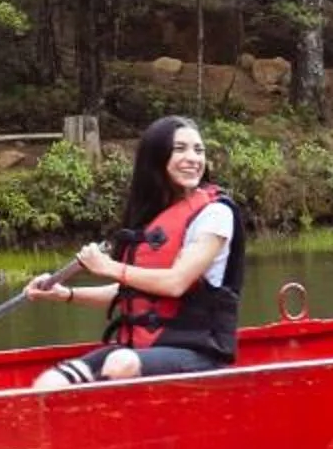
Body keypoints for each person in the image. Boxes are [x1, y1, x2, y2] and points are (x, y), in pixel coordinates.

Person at [27, 115, 247, 387]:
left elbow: (176, 283)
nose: (193, 158)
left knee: (121, 364)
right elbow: (131, 295)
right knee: (49, 382)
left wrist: (108, 267)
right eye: (180, 149)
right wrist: (66, 294)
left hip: (199, 353)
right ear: (156, 156)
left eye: (198, 150)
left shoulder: (215, 214)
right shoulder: (153, 218)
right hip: (142, 350)